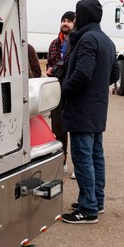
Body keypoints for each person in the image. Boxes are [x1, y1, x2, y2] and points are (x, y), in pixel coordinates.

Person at [61, 0, 119, 224]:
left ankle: (87, 209)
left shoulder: (86, 39)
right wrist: (97, 87)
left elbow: (82, 74)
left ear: (82, 16)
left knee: (83, 157)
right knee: (96, 155)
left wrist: (64, 90)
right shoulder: (106, 40)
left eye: (76, 15)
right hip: (97, 108)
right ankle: (96, 200)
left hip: (82, 109)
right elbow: (114, 74)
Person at [46, 11, 75, 173]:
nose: (66, 23)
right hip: (56, 91)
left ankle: (78, 165)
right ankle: (61, 161)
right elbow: (50, 64)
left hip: (72, 91)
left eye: (69, 21)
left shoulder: (77, 43)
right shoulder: (54, 44)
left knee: (77, 129)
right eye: (63, 20)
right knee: (58, 129)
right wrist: (50, 70)